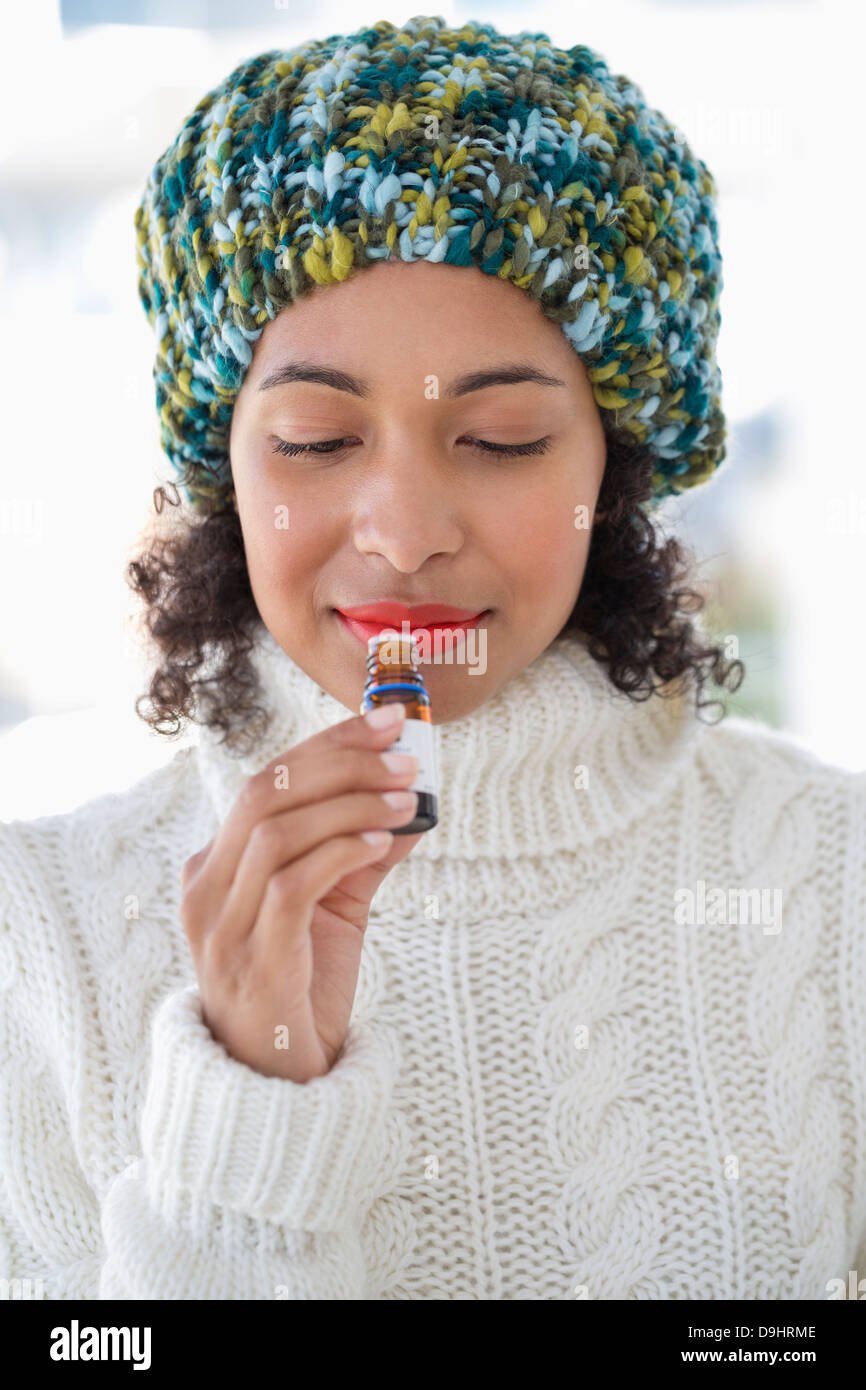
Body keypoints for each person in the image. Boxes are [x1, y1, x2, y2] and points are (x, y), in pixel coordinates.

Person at [1, 14, 863, 1302]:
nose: (404, 538)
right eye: (311, 439)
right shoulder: (39, 936)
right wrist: (245, 1127)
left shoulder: (836, 888)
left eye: (505, 438)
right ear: (222, 469)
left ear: (614, 470)